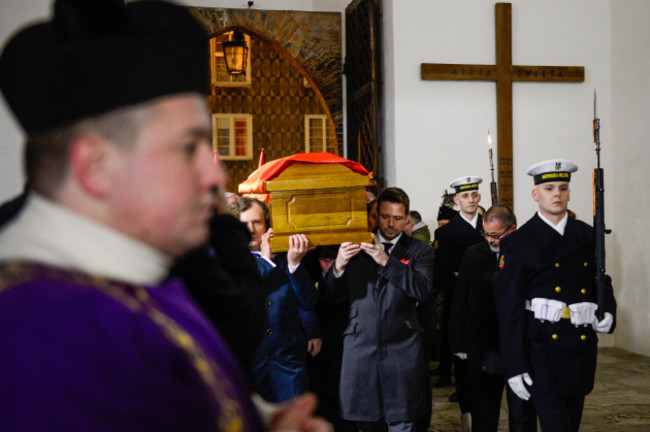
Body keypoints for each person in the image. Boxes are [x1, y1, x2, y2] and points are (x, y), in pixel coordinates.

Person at [0, 1, 328, 430]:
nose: (215, 175)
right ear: (95, 167)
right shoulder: (47, 334)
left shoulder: (144, 268)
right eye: (189, 147)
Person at [496, 159, 616, 432]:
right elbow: (509, 309)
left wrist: (608, 308)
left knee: (570, 424)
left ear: (569, 193)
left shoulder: (586, 234)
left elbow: (601, 278)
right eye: (549, 188)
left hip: (579, 348)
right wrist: (514, 365)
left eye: (563, 188)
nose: (557, 194)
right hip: (540, 350)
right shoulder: (517, 242)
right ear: (536, 194)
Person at [322, 187, 434, 432]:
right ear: (375, 215)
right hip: (361, 349)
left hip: (402, 350)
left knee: (402, 421)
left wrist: (386, 261)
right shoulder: (355, 246)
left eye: (397, 218)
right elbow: (331, 297)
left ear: (407, 218)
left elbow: (423, 290)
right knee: (366, 421)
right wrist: (338, 266)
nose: (390, 224)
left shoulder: (420, 250)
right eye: (385, 216)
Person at [449, 205, 537, 432]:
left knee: (522, 412)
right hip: (484, 347)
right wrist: (458, 341)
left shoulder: (528, 254)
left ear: (513, 229)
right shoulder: (473, 255)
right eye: (486, 234)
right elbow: (461, 301)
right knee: (484, 413)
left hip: (519, 347)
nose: (491, 240)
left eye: (496, 235)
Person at [231, 197, 321, 403]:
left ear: (267, 225)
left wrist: (294, 264)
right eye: (244, 224)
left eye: (257, 222)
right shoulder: (228, 259)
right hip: (250, 364)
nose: (251, 229)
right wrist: (265, 260)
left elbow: (307, 302)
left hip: (287, 361)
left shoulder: (287, 255)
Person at [432, 176, 484, 430]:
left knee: (487, 368)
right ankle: (468, 420)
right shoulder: (445, 233)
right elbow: (441, 275)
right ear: (456, 200)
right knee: (464, 370)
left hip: (488, 308)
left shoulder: (490, 225)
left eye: (474, 194)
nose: (471, 200)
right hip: (460, 307)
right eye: (465, 196)